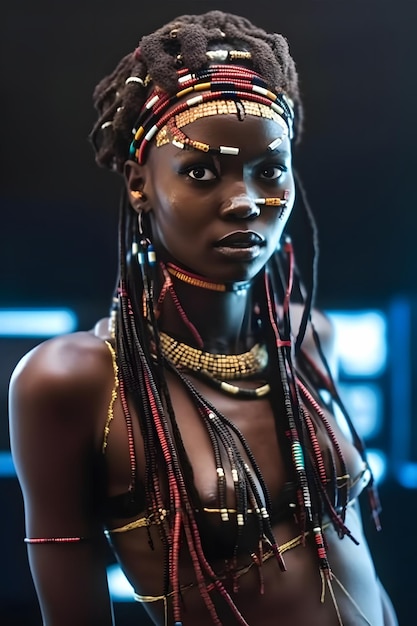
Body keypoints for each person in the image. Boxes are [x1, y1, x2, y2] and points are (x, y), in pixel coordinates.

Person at [8, 10, 397, 626]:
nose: (244, 202)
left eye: (269, 171)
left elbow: (357, 565)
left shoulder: (308, 339)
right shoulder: (75, 382)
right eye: (201, 172)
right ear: (140, 184)